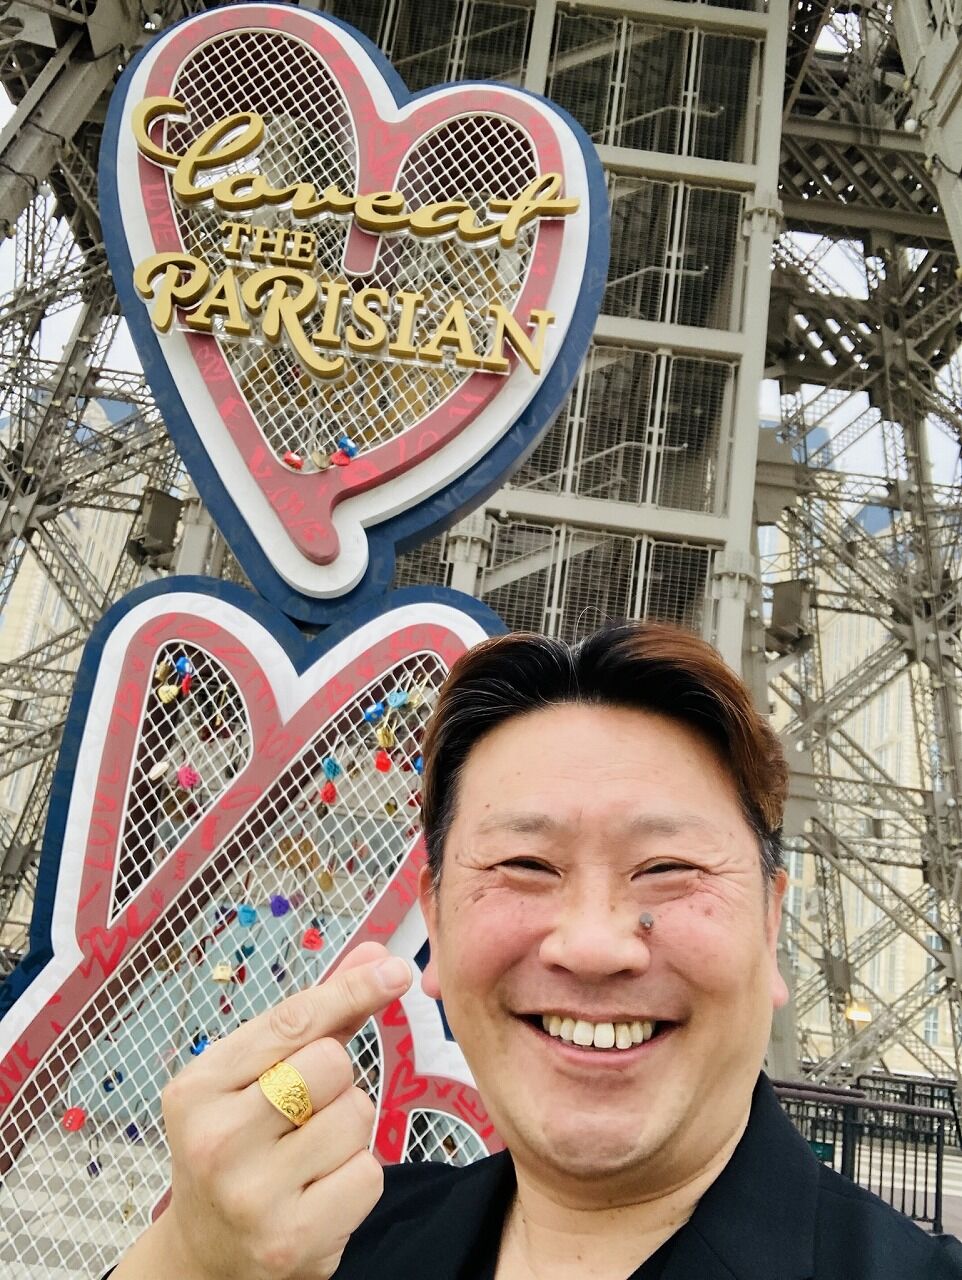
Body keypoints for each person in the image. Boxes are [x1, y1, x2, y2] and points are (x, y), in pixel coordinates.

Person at [104, 622, 962, 1279]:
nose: (591, 946)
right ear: (436, 923)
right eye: (524, 866)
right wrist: (185, 1258)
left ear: (772, 925)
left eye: (668, 869)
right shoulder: (321, 1250)